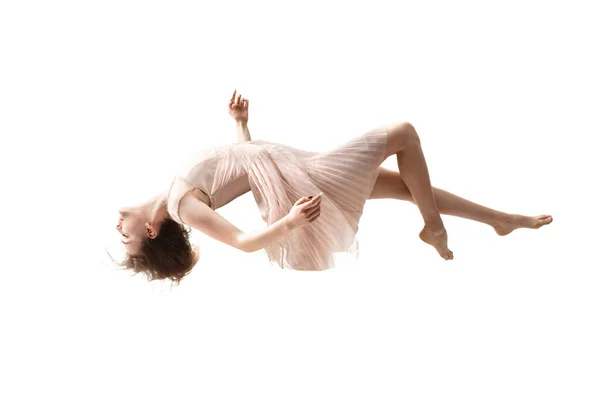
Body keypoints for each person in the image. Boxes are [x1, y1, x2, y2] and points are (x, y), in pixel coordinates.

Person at [115, 90, 553, 284]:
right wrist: (288, 223)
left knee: (408, 187)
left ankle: (501, 220)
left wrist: (241, 126)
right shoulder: (182, 206)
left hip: (296, 167)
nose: (120, 224)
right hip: (305, 182)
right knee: (402, 133)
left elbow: (244, 171)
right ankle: (435, 228)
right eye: (127, 236)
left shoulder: (178, 190)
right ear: (151, 232)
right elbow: (244, 242)